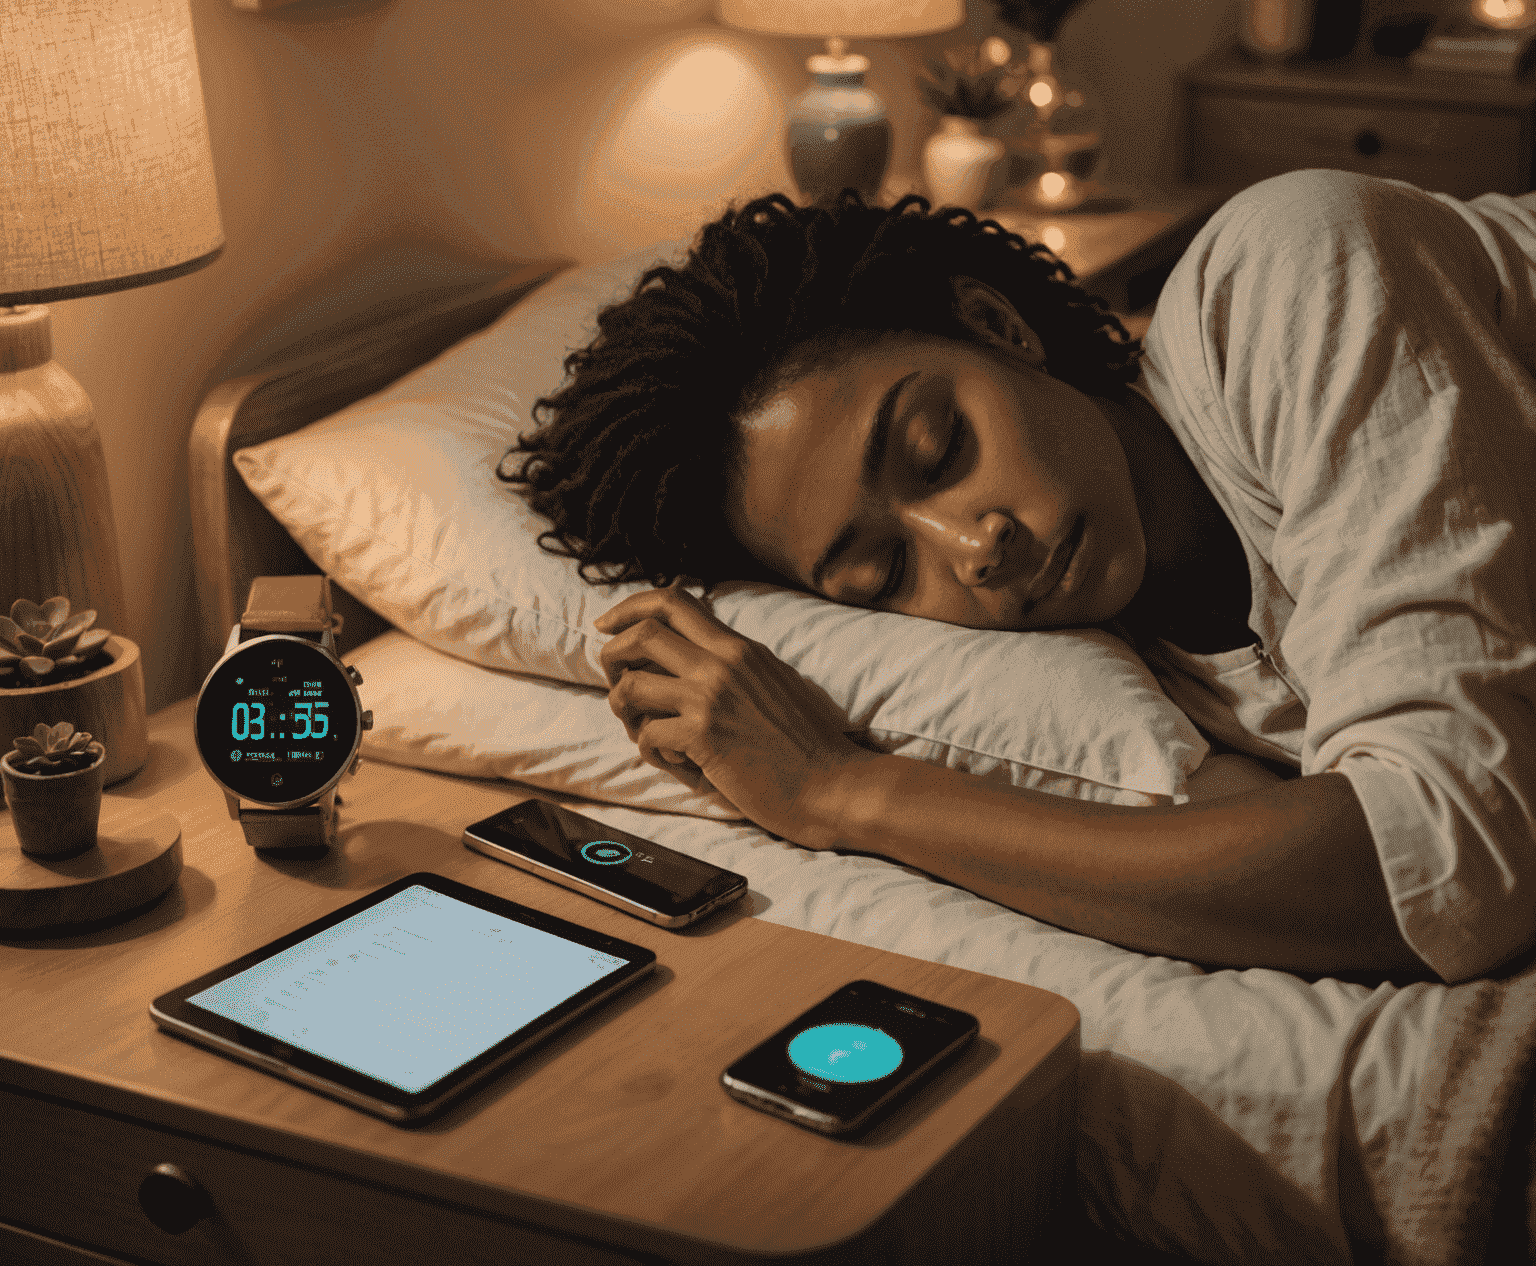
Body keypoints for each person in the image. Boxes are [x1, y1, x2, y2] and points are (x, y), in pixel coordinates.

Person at [501, 168, 1536, 985]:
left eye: (941, 445)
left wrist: (841, 790)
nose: (974, 549)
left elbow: (1448, 858)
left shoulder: (1293, 266)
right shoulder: (1117, 664)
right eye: (881, 569)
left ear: (999, 328)